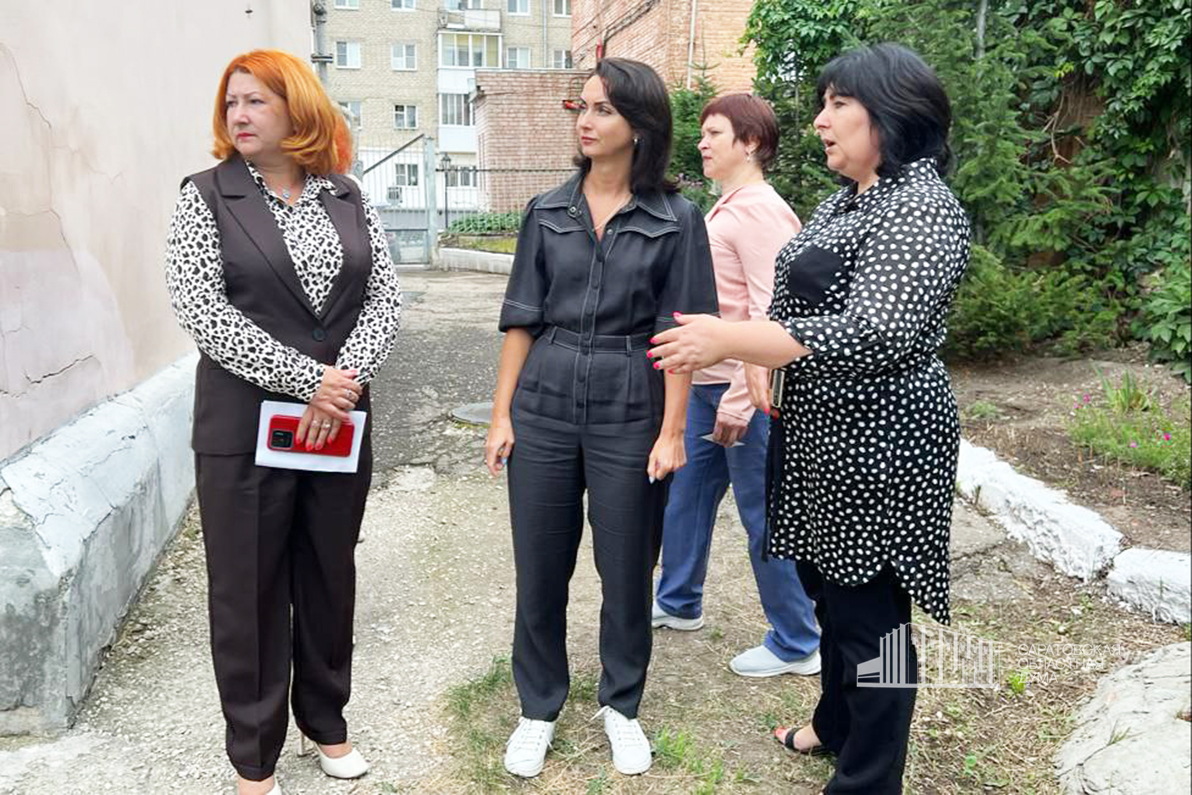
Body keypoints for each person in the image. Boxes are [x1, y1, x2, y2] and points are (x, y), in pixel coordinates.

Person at [647, 43, 970, 794]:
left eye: (838, 105)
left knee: (875, 618)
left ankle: (870, 778)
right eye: (823, 103)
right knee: (829, 593)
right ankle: (835, 723)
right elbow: (792, 295)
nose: (820, 120)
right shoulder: (847, 199)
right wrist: (759, 356)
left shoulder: (922, 207)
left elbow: (876, 330)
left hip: (883, 441)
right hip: (820, 433)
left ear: (891, 113)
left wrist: (731, 340)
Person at [164, 49, 402, 795]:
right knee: (251, 588)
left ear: (297, 108)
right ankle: (255, 755)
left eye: (256, 101)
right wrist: (310, 381)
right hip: (244, 428)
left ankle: (326, 722)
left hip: (335, 423)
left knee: (329, 572)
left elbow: (384, 297)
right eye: (231, 102)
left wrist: (344, 383)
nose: (238, 114)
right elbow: (202, 309)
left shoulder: (346, 195)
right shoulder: (207, 196)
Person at [484, 57, 718, 779]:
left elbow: (681, 334)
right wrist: (501, 416)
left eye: (602, 110)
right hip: (545, 401)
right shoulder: (546, 211)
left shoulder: (676, 219)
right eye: (580, 107)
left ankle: (621, 705)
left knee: (626, 569)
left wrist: (672, 431)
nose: (585, 121)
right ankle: (538, 707)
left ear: (640, 126)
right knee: (540, 566)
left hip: (631, 402)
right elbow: (521, 319)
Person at [652, 94, 821, 678]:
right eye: (702, 133)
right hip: (705, 387)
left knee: (763, 517)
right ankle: (678, 601)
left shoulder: (759, 211)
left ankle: (797, 641)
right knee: (687, 499)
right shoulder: (729, 205)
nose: (702, 143)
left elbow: (775, 312)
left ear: (750, 143)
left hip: (742, 392)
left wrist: (743, 398)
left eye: (715, 133)